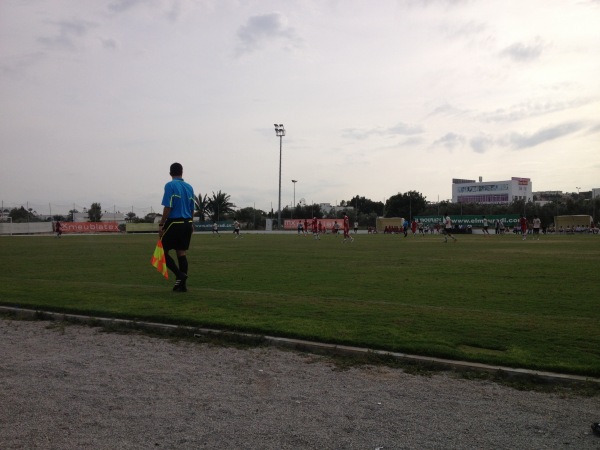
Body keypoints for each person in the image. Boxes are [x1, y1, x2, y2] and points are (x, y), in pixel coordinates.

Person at [159, 162, 194, 292]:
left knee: (162, 252)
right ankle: (182, 285)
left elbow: (168, 206)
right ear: (182, 172)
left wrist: (162, 224)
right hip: (186, 223)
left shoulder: (170, 185)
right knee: (181, 252)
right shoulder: (189, 187)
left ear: (170, 173)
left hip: (174, 222)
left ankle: (180, 275)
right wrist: (191, 223)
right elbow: (192, 208)